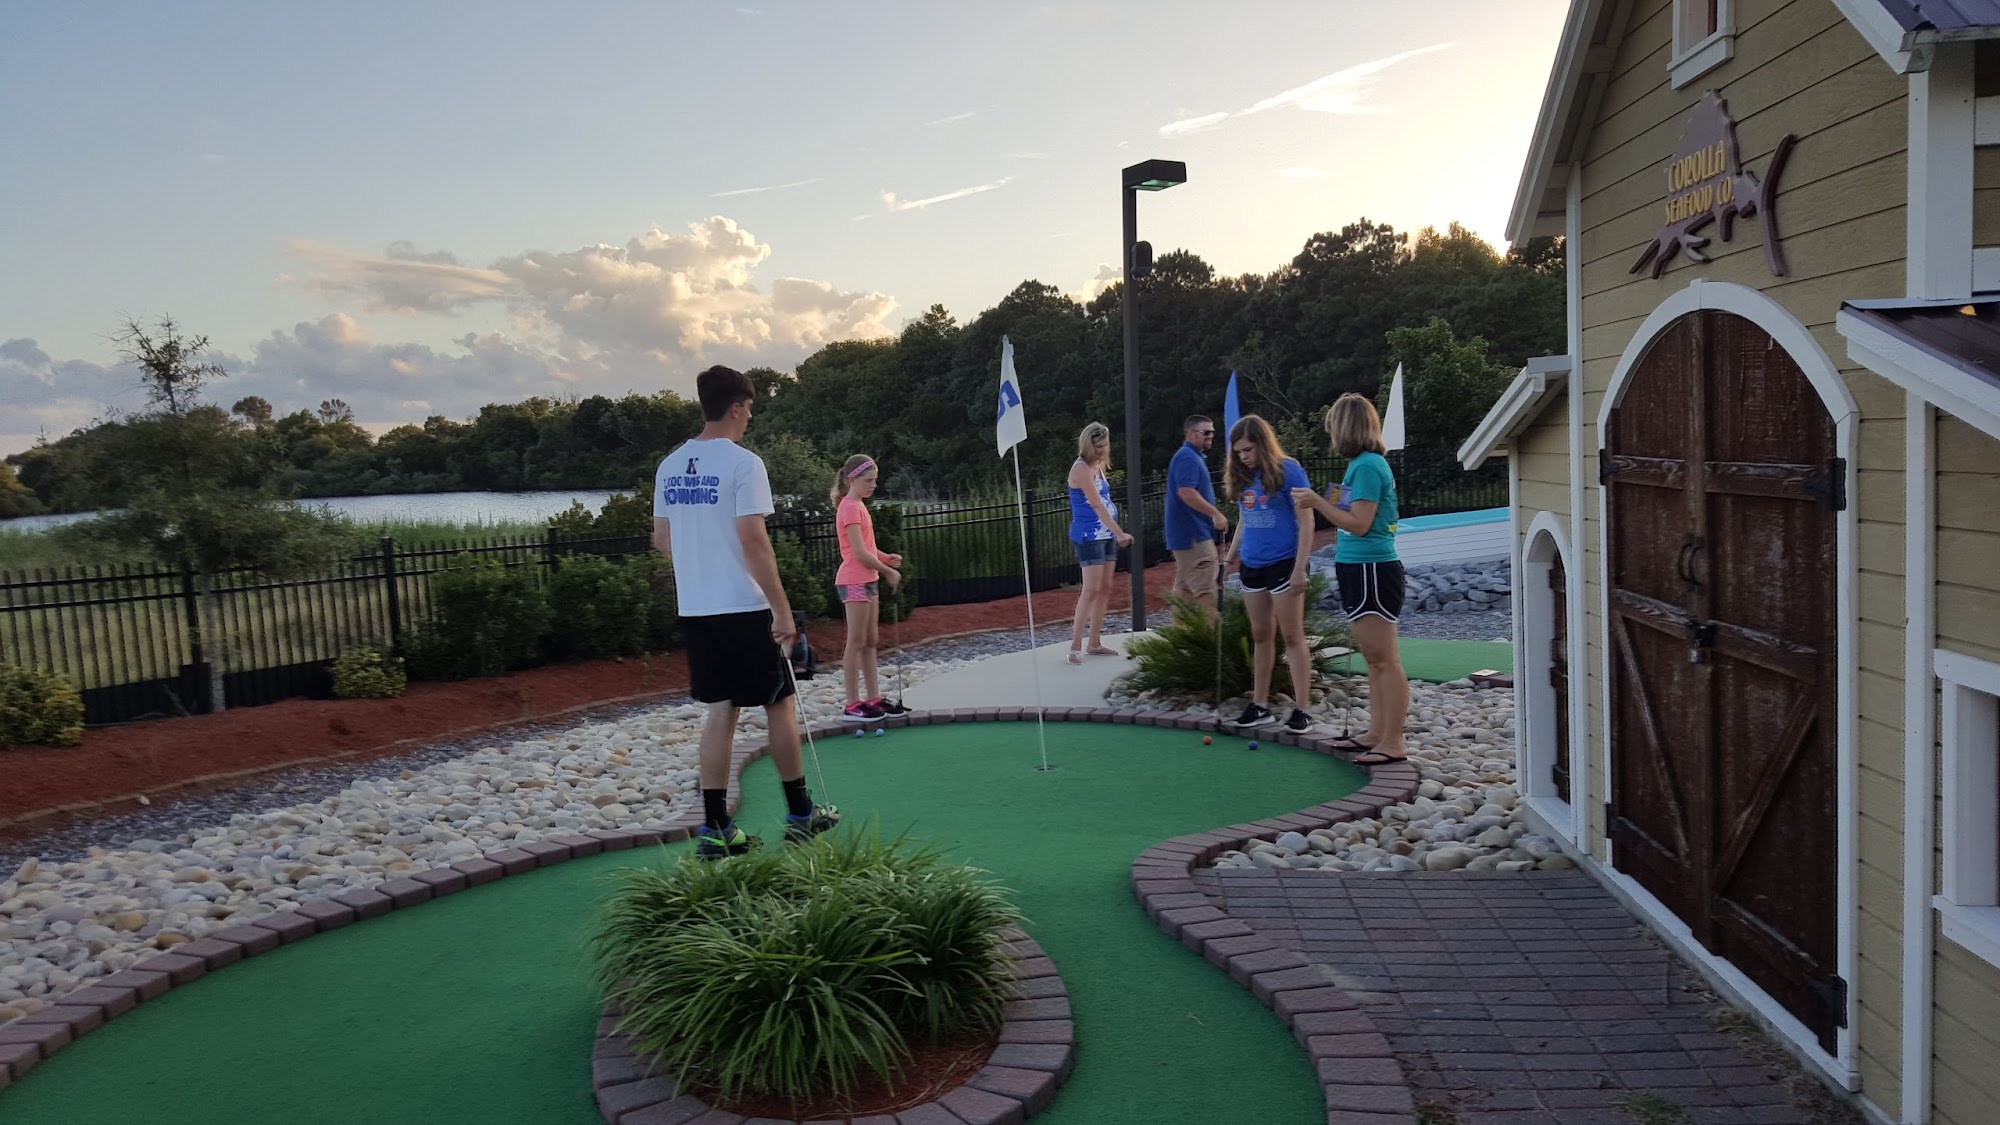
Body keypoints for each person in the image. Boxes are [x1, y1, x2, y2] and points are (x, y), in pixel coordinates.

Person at [653, 366, 839, 859]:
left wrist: (702, 568)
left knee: (721, 709)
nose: (751, 416)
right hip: (744, 606)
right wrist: (782, 611)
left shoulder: (669, 466)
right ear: (736, 407)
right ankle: (800, 814)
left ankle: (716, 829)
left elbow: (662, 539)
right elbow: (753, 540)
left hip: (697, 609)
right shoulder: (744, 464)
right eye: (750, 408)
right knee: (778, 703)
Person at [1292, 392, 1408, 765]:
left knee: (1384, 658)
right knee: (1373, 658)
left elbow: (1359, 524)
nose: (1331, 436)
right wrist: (1322, 503)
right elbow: (1347, 515)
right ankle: (1377, 733)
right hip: (1357, 566)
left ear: (1346, 428)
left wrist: (1317, 502)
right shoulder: (1359, 466)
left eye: (1332, 428)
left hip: (1372, 567)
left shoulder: (1368, 467)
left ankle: (1393, 741)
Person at [1221, 414, 1317, 733]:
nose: (1243, 457)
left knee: (1292, 635)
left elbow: (1306, 521)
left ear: (1263, 444)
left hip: (1284, 561)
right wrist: (1229, 559)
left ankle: (1302, 709)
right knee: (1261, 634)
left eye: (1248, 450)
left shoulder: (1289, 470)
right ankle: (1260, 704)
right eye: (1238, 452)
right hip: (1252, 563)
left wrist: (1300, 567)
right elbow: (1244, 519)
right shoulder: (1243, 475)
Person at [831, 453, 907, 722]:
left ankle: (873, 698)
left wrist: (885, 559)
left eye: (875, 480)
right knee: (856, 641)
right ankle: (853, 704)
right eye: (868, 480)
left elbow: (868, 548)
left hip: (868, 579)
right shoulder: (849, 507)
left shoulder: (859, 505)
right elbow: (859, 554)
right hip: (854, 580)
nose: (873, 485)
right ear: (852, 479)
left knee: (871, 640)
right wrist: (889, 572)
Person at [1066, 421, 1133, 666]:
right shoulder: (1081, 468)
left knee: (1105, 587)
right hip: (1089, 534)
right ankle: (1075, 645)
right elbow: (1095, 503)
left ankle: (1094, 641)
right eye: (1098, 447)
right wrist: (1119, 532)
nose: (1103, 450)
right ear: (1088, 446)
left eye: (1105, 445)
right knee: (1091, 588)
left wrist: (1113, 532)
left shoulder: (1098, 466)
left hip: (1105, 534)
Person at [1164, 414, 1228, 621]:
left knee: (1184, 590)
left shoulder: (1191, 457)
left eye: (1212, 433)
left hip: (1187, 534)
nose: (1211, 436)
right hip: (1193, 535)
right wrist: (1215, 514)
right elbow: (1186, 492)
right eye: (1206, 432)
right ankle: (1213, 635)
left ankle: (1181, 634)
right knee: (1205, 588)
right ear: (1191, 434)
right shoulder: (1187, 458)